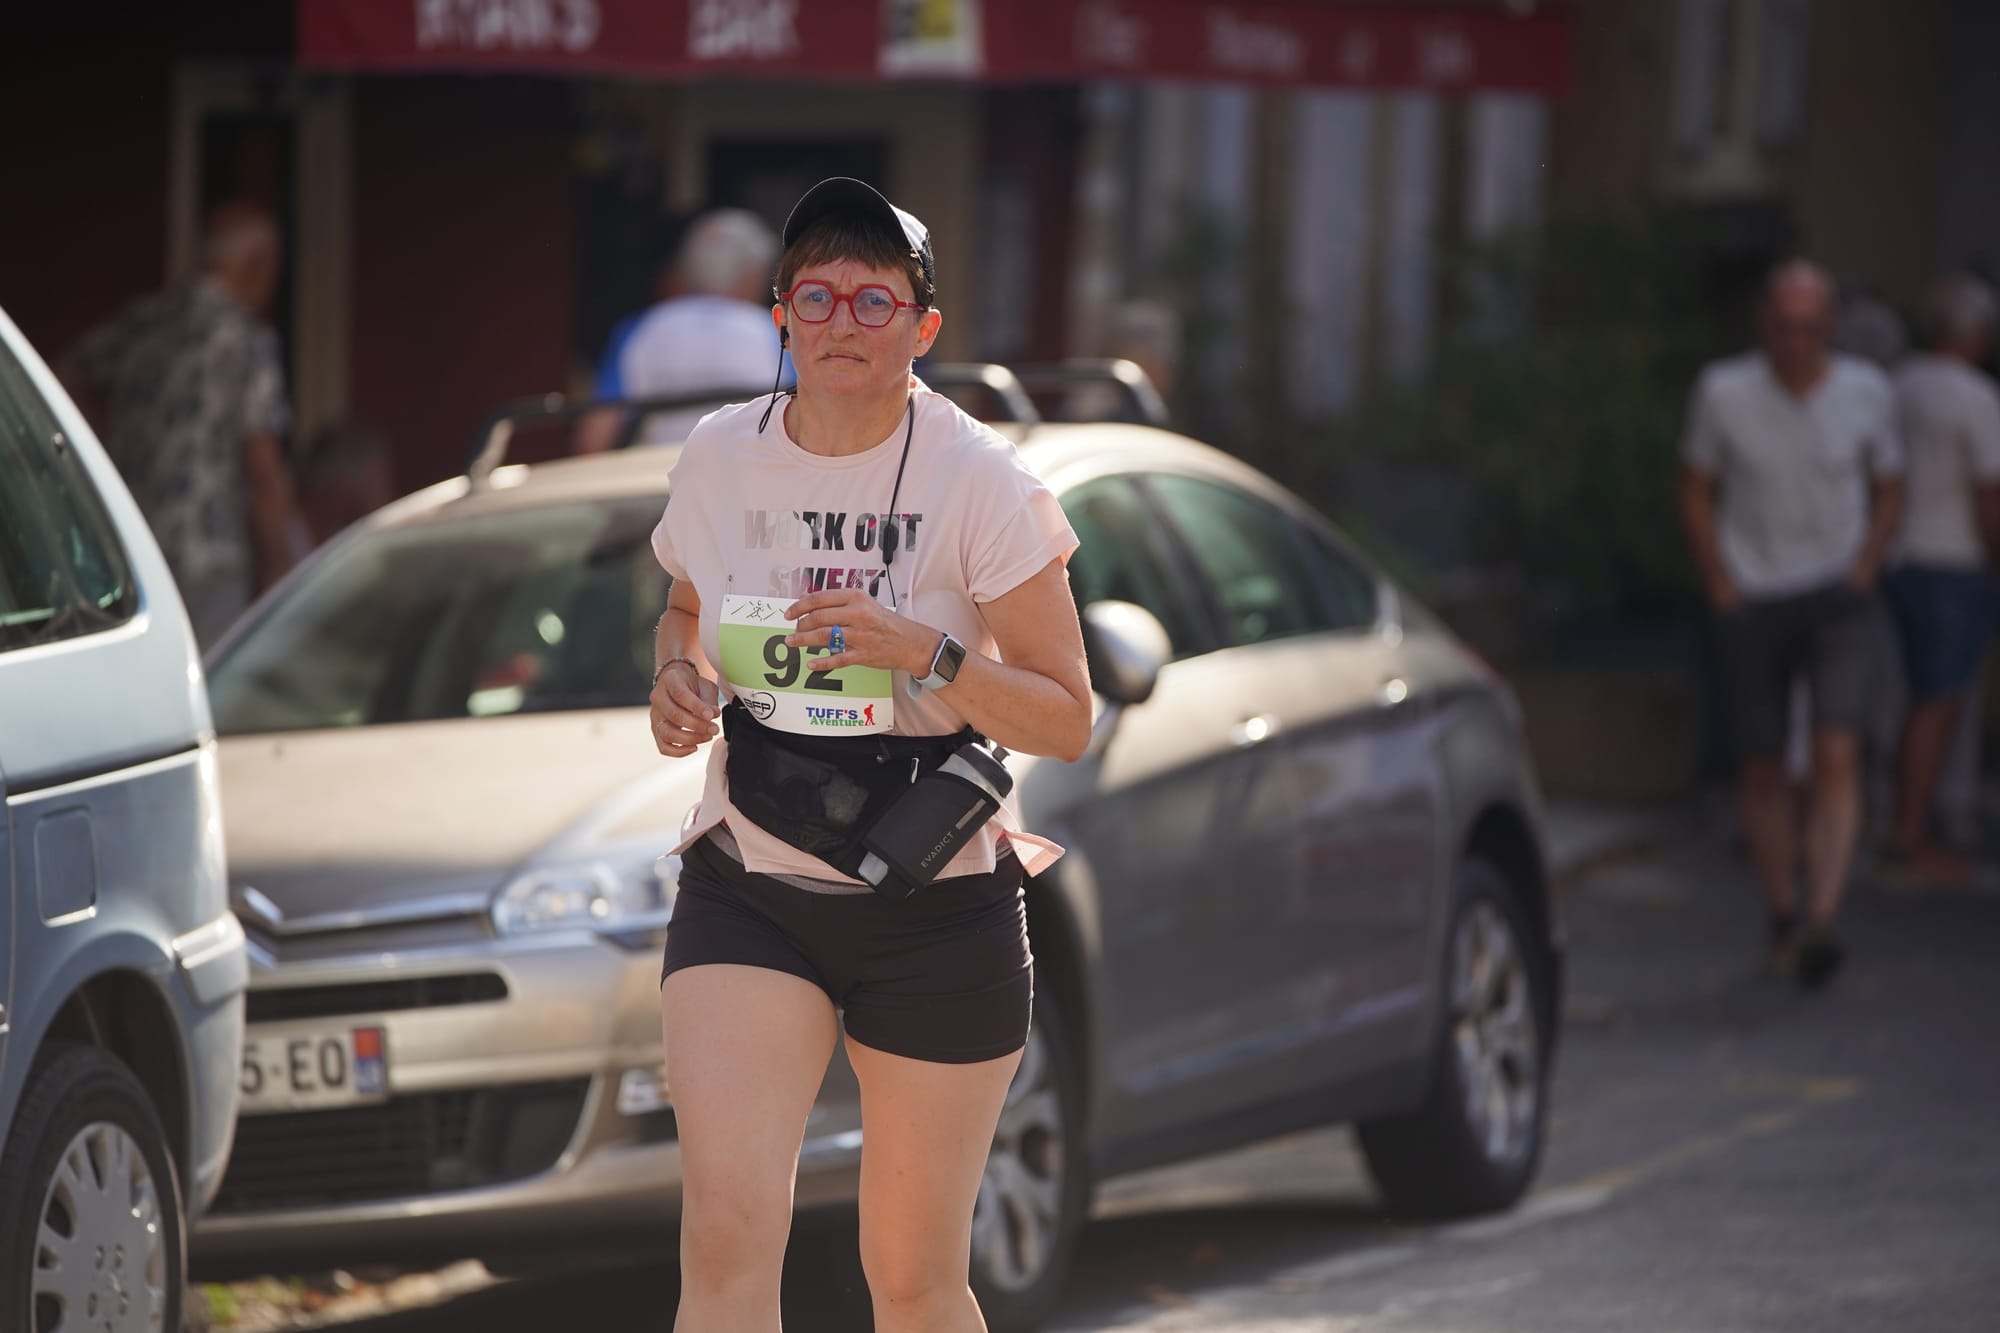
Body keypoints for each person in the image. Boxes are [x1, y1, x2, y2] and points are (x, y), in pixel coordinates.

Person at [644, 177, 1089, 1331]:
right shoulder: (718, 456)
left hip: (934, 906)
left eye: (874, 301)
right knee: (726, 1232)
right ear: (779, 313)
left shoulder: (979, 481)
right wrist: (677, 679)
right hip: (753, 887)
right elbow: (685, 610)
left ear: (922, 327)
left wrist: (926, 652)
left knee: (911, 1274)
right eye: (818, 297)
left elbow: (1064, 715)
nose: (843, 323)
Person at [1679, 259, 1905, 987]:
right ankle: (1782, 906)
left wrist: (1868, 562)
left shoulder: (1866, 393)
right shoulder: (1725, 392)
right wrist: (1718, 577)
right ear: (1764, 327)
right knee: (1763, 760)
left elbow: (1889, 483)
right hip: (1756, 589)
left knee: (1839, 750)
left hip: (1838, 589)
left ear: (1830, 330)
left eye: (1811, 329)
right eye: (1785, 328)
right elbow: (1696, 485)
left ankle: (1823, 913)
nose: (1797, 343)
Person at [61, 201, 297, 648]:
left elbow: (63, 374)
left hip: (130, 541)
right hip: (207, 552)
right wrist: (282, 563)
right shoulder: (245, 339)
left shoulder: (145, 322)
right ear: (257, 264)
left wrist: (94, 455)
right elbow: (262, 461)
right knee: (211, 679)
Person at [1883, 275, 2000, 885]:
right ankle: (1909, 835)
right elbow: (1990, 498)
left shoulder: (1898, 384)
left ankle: (1906, 827)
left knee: (1920, 700)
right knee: (1939, 704)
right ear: (1977, 334)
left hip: (1899, 557)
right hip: (1952, 562)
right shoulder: (1976, 398)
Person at [576, 207, 789, 452]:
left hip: (655, 479)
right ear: (752, 275)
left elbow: (594, 437)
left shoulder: (642, 329)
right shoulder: (776, 331)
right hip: (746, 477)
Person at [293, 416, 397, 553]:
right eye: (379, 483)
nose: (386, 495)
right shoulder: (275, 536)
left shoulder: (340, 543)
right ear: (343, 484)